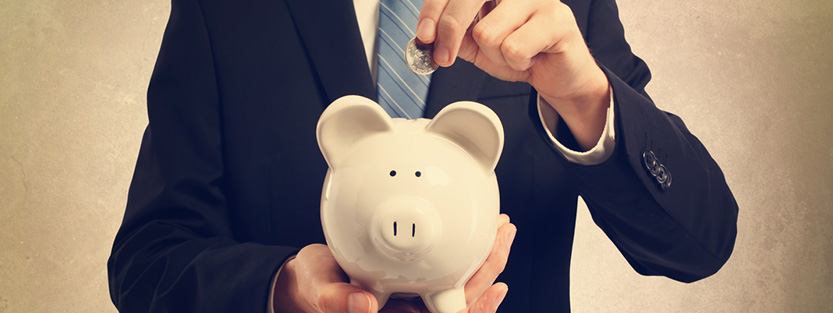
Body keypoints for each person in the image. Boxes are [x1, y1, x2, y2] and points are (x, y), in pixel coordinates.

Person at [107, 0, 739, 312]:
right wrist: (281, 289)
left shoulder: (558, 4)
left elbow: (699, 244)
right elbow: (147, 260)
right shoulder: (227, 11)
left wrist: (584, 96)